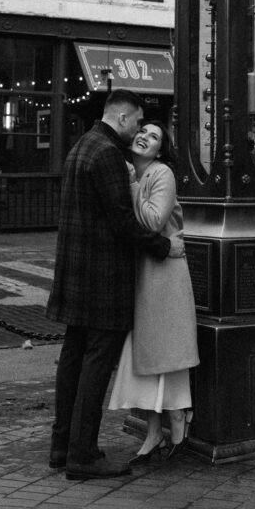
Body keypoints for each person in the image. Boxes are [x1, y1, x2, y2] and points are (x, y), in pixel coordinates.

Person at [45, 90, 185, 481]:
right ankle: (83, 454)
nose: (139, 130)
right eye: (137, 123)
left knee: (73, 360)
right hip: (101, 277)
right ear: (122, 118)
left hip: (76, 273)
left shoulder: (82, 146)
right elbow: (123, 221)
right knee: (95, 366)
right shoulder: (108, 154)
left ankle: (62, 447)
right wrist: (163, 247)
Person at [108, 120, 199, 464]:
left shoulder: (162, 174)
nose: (145, 136)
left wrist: (131, 184)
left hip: (163, 276)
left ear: (161, 150)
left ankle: (174, 426)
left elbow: (152, 221)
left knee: (164, 354)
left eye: (154, 136)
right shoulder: (134, 173)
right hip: (145, 273)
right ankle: (156, 430)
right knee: (147, 356)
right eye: (142, 131)